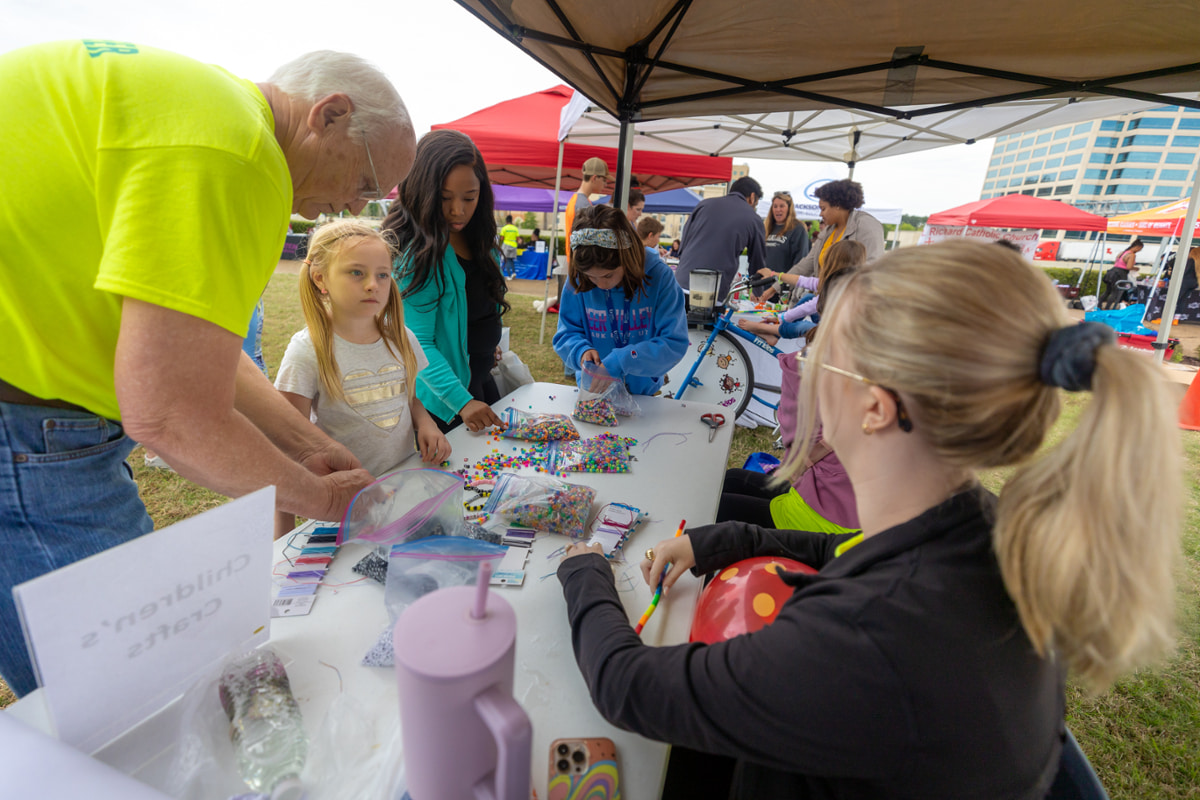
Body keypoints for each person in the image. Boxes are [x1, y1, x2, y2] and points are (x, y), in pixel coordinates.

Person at [555, 239, 1183, 799]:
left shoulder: (862, 641)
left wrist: (585, 572)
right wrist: (723, 539)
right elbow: (844, 551)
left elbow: (628, 685)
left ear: (876, 408)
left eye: (822, 362)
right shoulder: (980, 528)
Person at [0, 41, 415, 697]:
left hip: (25, 399)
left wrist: (313, 446)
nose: (354, 208)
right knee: (135, 691)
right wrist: (326, 500)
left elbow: (200, 359)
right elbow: (170, 413)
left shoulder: (213, 115)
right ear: (329, 115)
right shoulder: (239, 154)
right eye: (364, 182)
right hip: (23, 423)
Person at [273, 220, 450, 535]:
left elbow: (404, 395)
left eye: (382, 274)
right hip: (345, 508)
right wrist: (282, 535)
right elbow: (286, 443)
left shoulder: (402, 337)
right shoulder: (308, 350)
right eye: (357, 272)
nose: (373, 285)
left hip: (403, 487)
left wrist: (426, 423)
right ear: (320, 279)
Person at [384, 130, 510, 434]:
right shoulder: (418, 253)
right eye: (444, 198)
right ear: (420, 191)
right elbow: (416, 342)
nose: (458, 210)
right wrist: (462, 402)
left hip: (480, 382)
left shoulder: (480, 240)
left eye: (470, 197)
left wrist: (483, 344)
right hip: (448, 402)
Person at [553, 205, 688, 396]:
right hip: (594, 392)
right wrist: (580, 351)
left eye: (608, 275)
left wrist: (624, 360)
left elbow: (674, 342)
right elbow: (565, 334)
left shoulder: (658, 276)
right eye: (591, 277)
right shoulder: (578, 278)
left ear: (627, 258)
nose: (600, 285)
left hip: (644, 394)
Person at [740, 240, 867, 345]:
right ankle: (774, 334)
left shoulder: (840, 289)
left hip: (837, 337)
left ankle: (765, 329)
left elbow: (809, 308)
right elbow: (802, 281)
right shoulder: (842, 282)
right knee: (808, 297)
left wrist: (781, 317)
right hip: (831, 328)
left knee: (804, 327)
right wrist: (774, 274)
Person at [674, 176, 767, 301]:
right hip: (713, 291)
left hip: (681, 282)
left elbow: (684, 240)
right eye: (756, 203)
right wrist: (757, 291)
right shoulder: (753, 219)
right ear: (752, 197)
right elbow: (757, 261)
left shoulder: (704, 204)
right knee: (708, 320)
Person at [786, 178, 884, 279]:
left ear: (837, 205)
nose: (821, 214)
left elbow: (873, 266)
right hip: (825, 293)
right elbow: (807, 264)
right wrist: (778, 283)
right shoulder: (829, 230)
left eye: (823, 208)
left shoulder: (866, 225)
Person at [762, 190, 810, 286]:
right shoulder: (767, 227)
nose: (778, 209)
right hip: (763, 285)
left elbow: (800, 262)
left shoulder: (797, 229)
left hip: (782, 287)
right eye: (775, 206)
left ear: (789, 208)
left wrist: (785, 285)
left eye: (781, 206)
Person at [1100, 239, 1144, 309]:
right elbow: (1129, 267)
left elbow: (1117, 263)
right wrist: (1136, 268)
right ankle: (1108, 308)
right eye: (1140, 249)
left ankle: (1099, 305)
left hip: (1112, 272)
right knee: (1116, 292)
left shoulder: (1122, 253)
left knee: (1107, 291)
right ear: (1137, 247)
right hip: (1120, 274)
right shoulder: (1131, 255)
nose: (1139, 251)